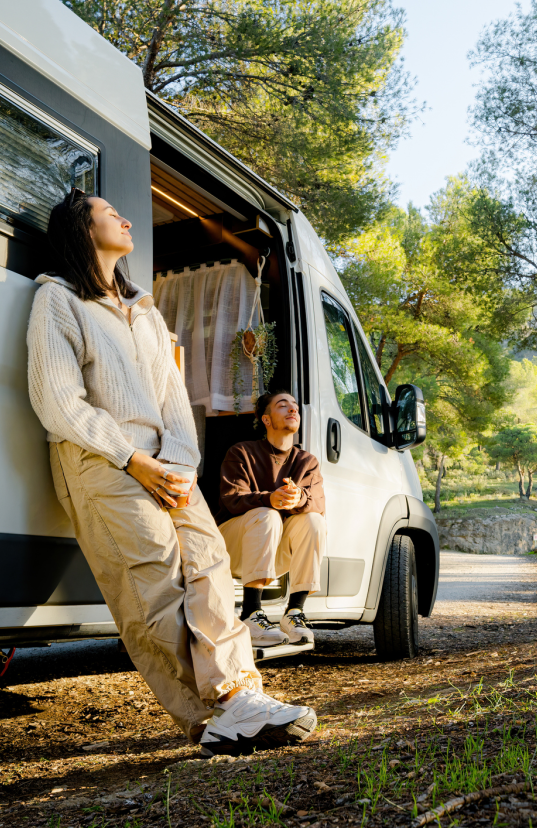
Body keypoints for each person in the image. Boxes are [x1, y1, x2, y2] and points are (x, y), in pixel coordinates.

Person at [26, 188, 316, 756]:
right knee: (153, 585)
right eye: (111, 213)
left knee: (209, 567)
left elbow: (174, 402)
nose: (126, 217)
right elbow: (57, 400)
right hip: (101, 460)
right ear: (82, 232)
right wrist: (132, 459)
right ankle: (214, 713)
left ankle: (238, 696)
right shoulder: (58, 300)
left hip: (166, 465)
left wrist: (181, 464)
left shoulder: (147, 312)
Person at [218, 391, 326, 647]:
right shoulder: (241, 452)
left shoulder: (306, 461)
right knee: (267, 515)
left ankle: (294, 613)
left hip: (274, 551)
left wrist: (298, 498)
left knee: (314, 520)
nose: (293, 411)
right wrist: (270, 499)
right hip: (232, 546)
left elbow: (318, 503)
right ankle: (251, 614)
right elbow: (231, 499)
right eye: (283, 406)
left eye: (296, 408)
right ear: (266, 420)